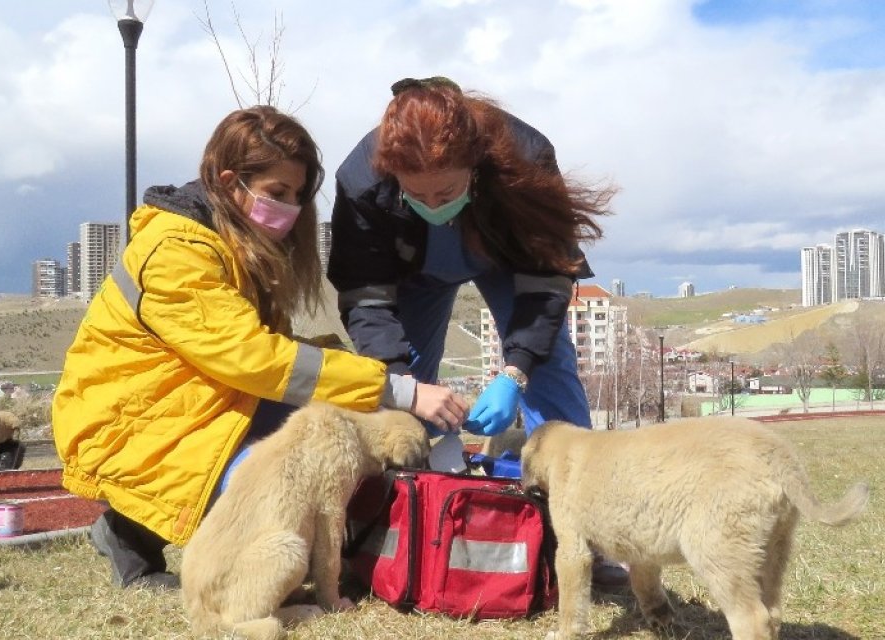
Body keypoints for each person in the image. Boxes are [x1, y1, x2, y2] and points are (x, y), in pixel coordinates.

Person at [52, 105, 468, 590]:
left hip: (186, 407)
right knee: (285, 480)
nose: (290, 208)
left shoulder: (233, 247)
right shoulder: (175, 252)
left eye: (297, 194)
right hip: (131, 423)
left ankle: (131, 531)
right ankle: (139, 536)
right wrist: (397, 390)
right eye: (277, 193)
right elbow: (251, 358)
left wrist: (354, 376)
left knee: (331, 426)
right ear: (230, 182)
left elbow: (270, 356)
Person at [328, 77, 627, 586]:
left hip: (505, 259)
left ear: (476, 165)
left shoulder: (524, 158)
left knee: (549, 362)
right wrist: (406, 384)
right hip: (413, 270)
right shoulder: (361, 181)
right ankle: (403, 521)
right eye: (415, 193)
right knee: (403, 394)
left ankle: (584, 533)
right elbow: (366, 297)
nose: (432, 201)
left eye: (446, 189)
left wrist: (517, 370)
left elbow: (546, 279)